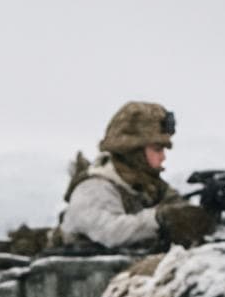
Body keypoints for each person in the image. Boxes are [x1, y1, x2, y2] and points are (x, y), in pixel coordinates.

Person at [59, 101, 213, 251]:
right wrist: (159, 219)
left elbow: (180, 211)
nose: (163, 157)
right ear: (134, 152)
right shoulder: (94, 188)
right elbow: (111, 232)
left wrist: (205, 212)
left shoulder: (149, 187)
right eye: (157, 149)